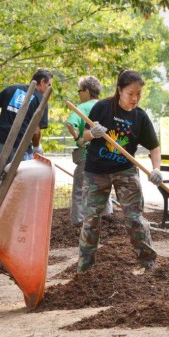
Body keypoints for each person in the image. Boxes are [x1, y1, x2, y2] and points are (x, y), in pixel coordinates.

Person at [78, 70, 163, 273]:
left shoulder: (140, 117)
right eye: (130, 93)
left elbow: (154, 147)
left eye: (138, 94)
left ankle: (148, 263)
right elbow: (83, 137)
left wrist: (156, 169)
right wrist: (93, 133)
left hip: (125, 171)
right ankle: (85, 269)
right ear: (119, 90)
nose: (134, 98)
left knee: (135, 218)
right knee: (91, 220)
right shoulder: (102, 108)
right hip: (96, 172)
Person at [65, 76, 112, 227]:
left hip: (87, 156)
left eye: (79, 91)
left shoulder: (82, 107)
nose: (78, 94)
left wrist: (78, 137)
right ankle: (107, 217)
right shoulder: (108, 106)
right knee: (104, 187)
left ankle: (79, 222)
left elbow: (70, 124)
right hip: (107, 156)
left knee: (79, 188)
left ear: (86, 91)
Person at [0, 69, 51, 169]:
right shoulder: (41, 100)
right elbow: (36, 131)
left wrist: (0, 123)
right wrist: (37, 147)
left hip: (0, 140)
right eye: (49, 85)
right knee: (19, 181)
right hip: (21, 146)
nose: (49, 88)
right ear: (42, 82)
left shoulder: (12, 89)